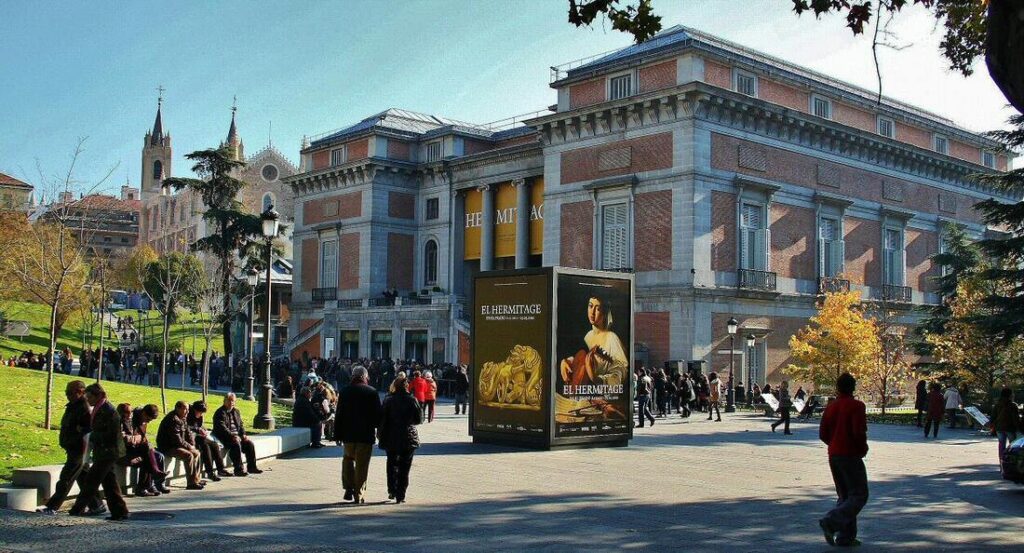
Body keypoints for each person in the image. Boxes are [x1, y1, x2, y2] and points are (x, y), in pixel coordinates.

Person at [37, 381, 105, 515]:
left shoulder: (84, 407)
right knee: (84, 479)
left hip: (79, 449)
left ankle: (52, 506)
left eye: (70, 393)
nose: (67, 395)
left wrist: (78, 434)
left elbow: (90, 428)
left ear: (81, 392)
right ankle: (97, 504)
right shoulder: (74, 406)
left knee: (66, 478)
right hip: (74, 447)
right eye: (66, 392)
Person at [818, 372, 869, 548]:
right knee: (859, 494)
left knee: (845, 495)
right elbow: (858, 432)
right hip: (851, 454)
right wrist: (862, 449)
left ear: (838, 387)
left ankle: (846, 537)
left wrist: (833, 444)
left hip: (834, 454)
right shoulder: (857, 406)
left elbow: (823, 433)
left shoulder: (831, 406)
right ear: (853, 387)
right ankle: (831, 522)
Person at [68, 383, 129, 521]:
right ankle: (120, 511)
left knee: (91, 481)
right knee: (109, 483)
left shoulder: (108, 410)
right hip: (104, 451)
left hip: (108, 452)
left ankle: (76, 510)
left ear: (99, 396)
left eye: (90, 397)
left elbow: (111, 434)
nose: (88, 400)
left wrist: (91, 436)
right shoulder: (100, 408)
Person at [559, 294, 628, 389]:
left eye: (598, 309)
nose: (592, 312)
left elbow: (621, 371)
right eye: (590, 306)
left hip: (599, 393)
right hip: (581, 390)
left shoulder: (611, 338)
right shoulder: (588, 336)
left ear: (604, 313)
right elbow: (581, 362)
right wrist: (566, 362)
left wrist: (596, 379)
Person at [334, 365, 382, 503]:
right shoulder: (371, 392)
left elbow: (339, 414)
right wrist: (379, 430)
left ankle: (349, 487)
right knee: (362, 465)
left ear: (353, 376)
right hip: (365, 435)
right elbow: (377, 415)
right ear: (364, 376)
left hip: (348, 434)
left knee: (348, 460)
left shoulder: (345, 391)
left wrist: (337, 434)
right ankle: (358, 494)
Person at [379, 372, 423, 503]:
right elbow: (418, 419)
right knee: (405, 466)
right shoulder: (412, 399)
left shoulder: (388, 400)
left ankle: (392, 489)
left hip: (390, 435)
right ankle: (401, 494)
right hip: (407, 435)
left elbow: (382, 418)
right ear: (406, 386)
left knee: (391, 463)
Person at [156, 400, 204, 490]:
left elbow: (188, 433)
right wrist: (189, 447)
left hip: (178, 445)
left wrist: (192, 444)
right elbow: (176, 439)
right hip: (168, 446)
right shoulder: (173, 419)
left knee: (196, 453)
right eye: (185, 409)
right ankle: (191, 483)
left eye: (188, 409)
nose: (187, 412)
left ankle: (196, 479)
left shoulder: (183, 418)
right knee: (188, 455)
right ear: (177, 408)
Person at [213, 393, 262, 476]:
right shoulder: (220, 412)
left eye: (233, 401)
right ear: (224, 401)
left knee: (249, 444)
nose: (231, 403)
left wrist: (243, 434)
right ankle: (238, 469)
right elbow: (222, 428)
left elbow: (241, 425)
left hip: (237, 436)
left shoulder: (236, 411)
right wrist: (233, 436)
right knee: (236, 443)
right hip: (225, 437)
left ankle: (252, 467)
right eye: (229, 400)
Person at [187, 400, 230, 481]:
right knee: (205, 446)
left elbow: (199, 425)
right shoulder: (187, 414)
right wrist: (198, 429)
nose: (201, 415)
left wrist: (203, 429)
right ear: (195, 410)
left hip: (198, 436)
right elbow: (187, 426)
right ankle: (210, 472)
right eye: (200, 412)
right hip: (190, 437)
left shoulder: (200, 416)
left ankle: (221, 469)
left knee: (215, 445)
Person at [993, 387, 1021, 470]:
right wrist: (1019, 428)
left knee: (1001, 445)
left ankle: (1001, 464)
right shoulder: (1013, 405)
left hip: (999, 428)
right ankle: (1012, 464)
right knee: (1013, 446)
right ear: (1010, 395)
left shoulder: (997, 404)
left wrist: (993, 425)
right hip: (1010, 428)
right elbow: (1015, 419)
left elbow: (993, 416)